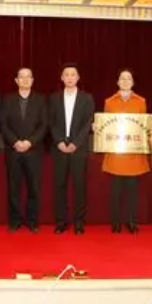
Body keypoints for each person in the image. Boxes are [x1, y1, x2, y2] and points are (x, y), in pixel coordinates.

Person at [102, 69, 150, 234]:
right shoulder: (109, 102)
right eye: (122, 78)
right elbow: (106, 126)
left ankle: (131, 222)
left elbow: (143, 126)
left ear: (133, 82)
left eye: (128, 78)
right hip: (116, 153)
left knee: (132, 192)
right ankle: (115, 222)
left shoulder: (141, 101)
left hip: (134, 153)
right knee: (115, 192)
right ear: (117, 82)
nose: (125, 81)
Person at [0, 67, 48, 233]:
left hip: (34, 151)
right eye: (22, 77)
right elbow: (3, 124)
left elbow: (44, 125)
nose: (25, 80)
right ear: (16, 81)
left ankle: (32, 221)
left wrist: (30, 142)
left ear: (32, 80)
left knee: (34, 188)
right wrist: (15, 142)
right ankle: (14, 220)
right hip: (13, 150)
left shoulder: (41, 100)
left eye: (29, 77)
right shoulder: (8, 100)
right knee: (14, 188)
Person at [49, 63, 94, 235]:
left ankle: (79, 222)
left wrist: (76, 142)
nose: (69, 77)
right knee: (59, 185)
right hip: (59, 148)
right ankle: (61, 221)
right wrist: (59, 141)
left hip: (79, 148)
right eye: (66, 75)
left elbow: (88, 123)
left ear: (78, 77)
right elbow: (51, 122)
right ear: (62, 78)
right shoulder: (54, 98)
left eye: (72, 74)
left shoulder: (86, 98)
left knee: (79, 185)